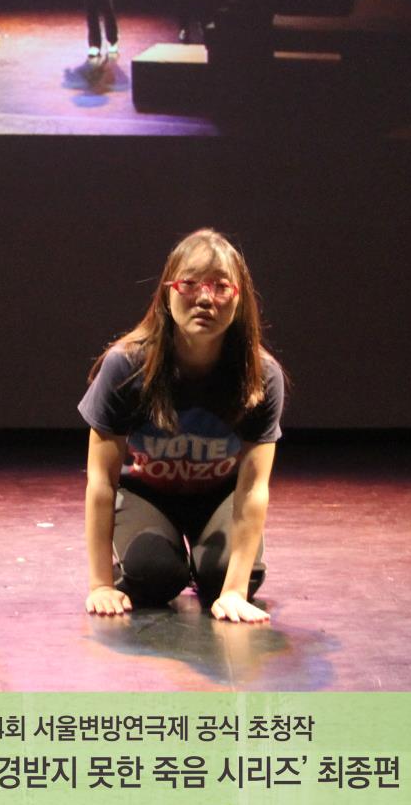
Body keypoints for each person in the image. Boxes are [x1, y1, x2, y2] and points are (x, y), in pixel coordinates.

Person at [81, 229, 284, 623]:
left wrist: (234, 591)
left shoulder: (261, 375)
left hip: (219, 498)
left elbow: (253, 488)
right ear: (167, 292)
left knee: (225, 578)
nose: (205, 298)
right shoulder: (126, 366)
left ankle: (210, 569)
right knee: (152, 575)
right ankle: (172, 561)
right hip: (148, 495)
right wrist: (101, 584)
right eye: (190, 284)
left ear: (239, 300)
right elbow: (101, 480)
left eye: (221, 287)